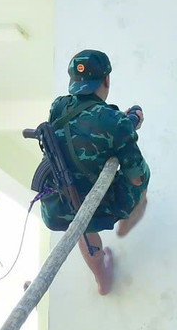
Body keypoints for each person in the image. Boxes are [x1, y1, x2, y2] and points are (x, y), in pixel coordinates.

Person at [50, 48, 151, 295]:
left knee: (82, 220)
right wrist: (126, 127)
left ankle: (101, 276)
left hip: (60, 206)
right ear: (106, 80)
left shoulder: (57, 107)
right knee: (143, 176)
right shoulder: (114, 122)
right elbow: (135, 174)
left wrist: (122, 123)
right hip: (99, 206)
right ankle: (126, 225)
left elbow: (84, 124)